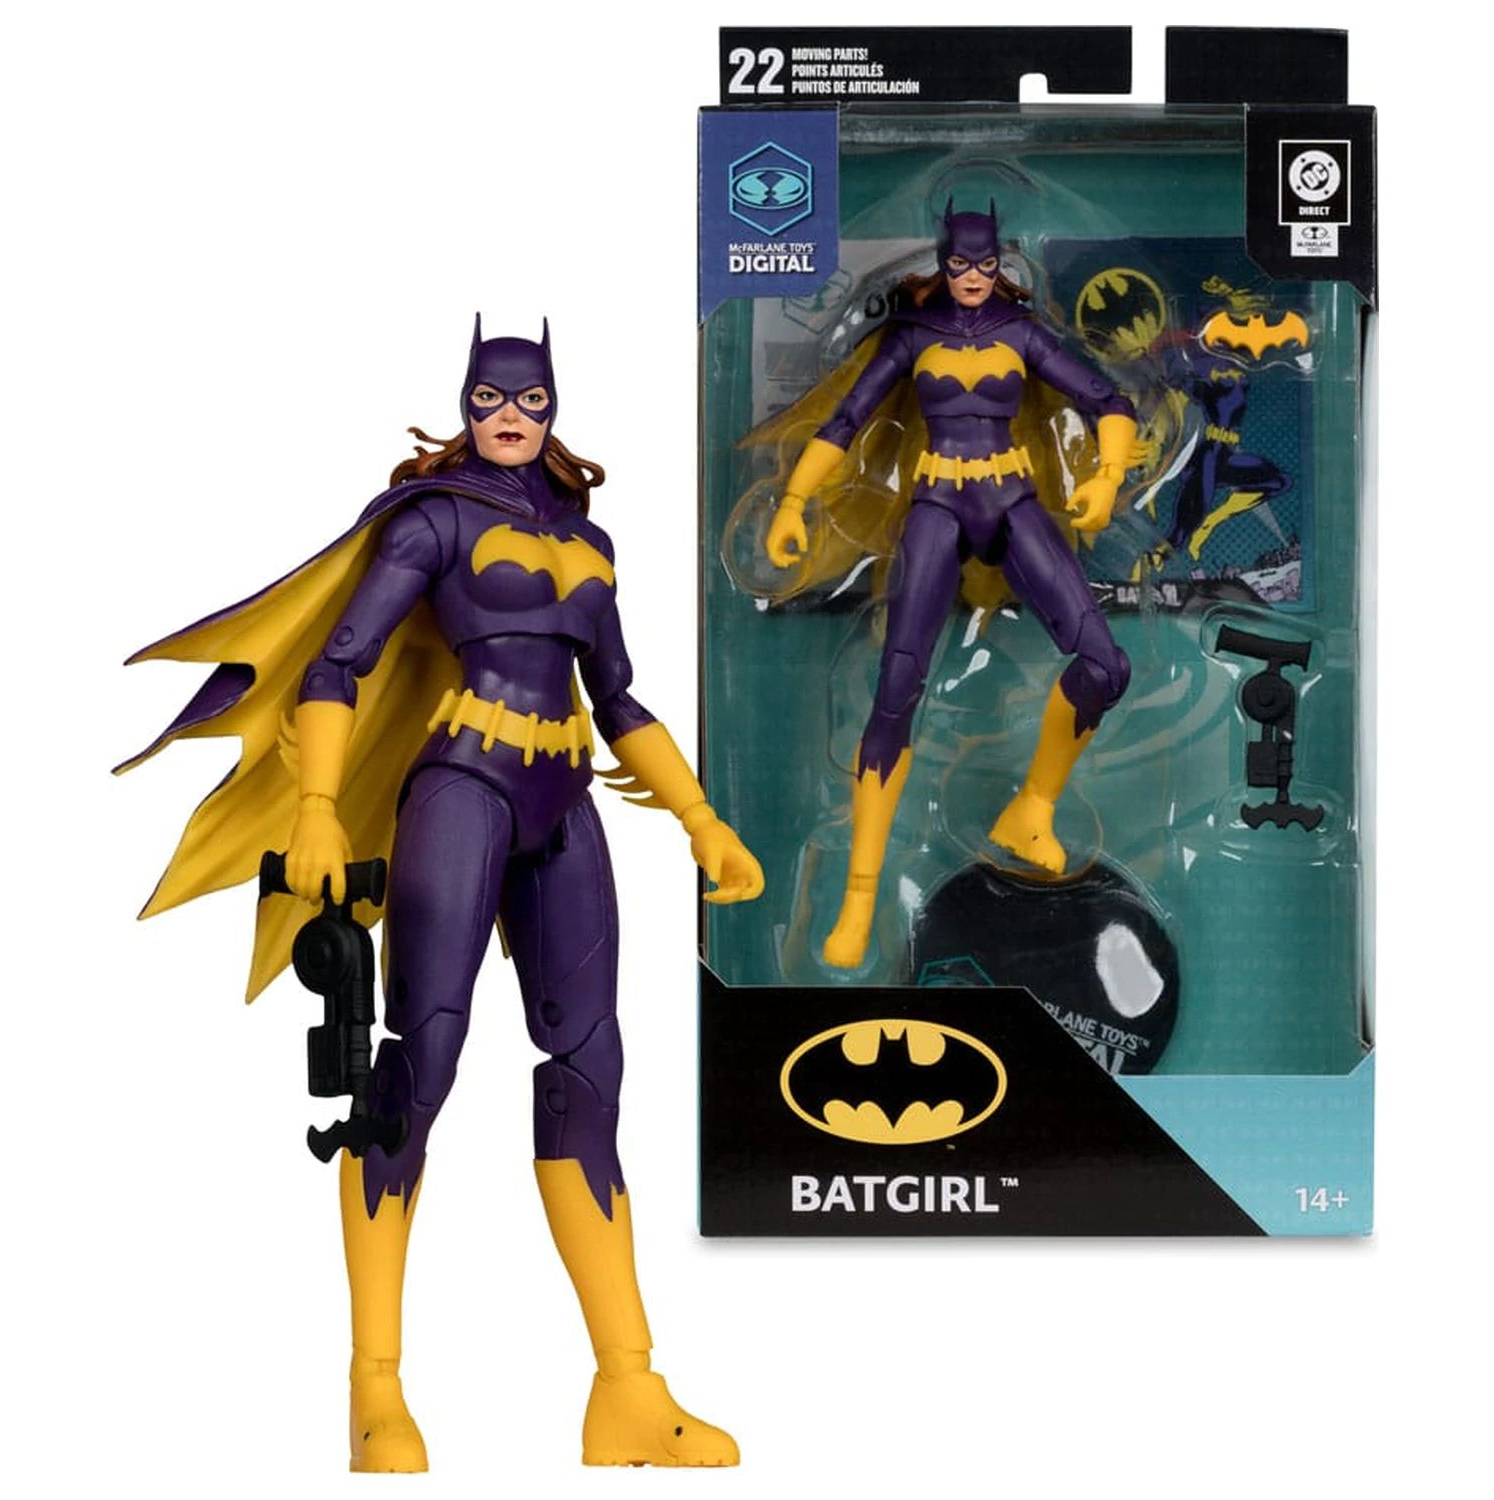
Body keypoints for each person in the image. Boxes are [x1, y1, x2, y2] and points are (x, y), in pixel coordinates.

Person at [121, 318, 763, 1470]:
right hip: (463, 787)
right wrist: (318, 806)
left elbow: (619, 697)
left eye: (529, 400)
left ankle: (627, 1387)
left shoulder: (590, 538)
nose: (509, 416)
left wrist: (701, 821)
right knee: (418, 1065)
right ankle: (375, 1390)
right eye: (489, 398)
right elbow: (339, 663)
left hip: (565, 800)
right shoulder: (434, 520)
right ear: (466, 403)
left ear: (554, 407)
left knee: (591, 1071)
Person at [763, 201, 1137, 968]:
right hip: (935, 503)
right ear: (942, 262)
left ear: (1000, 263)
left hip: (1013, 498)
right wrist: (794, 501)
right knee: (894, 689)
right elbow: (845, 422)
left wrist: (1106, 478)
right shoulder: (912, 337)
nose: (972, 278)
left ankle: (1031, 810)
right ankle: (859, 899)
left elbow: (1110, 401)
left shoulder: (1021, 332)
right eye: (961, 265)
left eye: (985, 265)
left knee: (1106, 665)